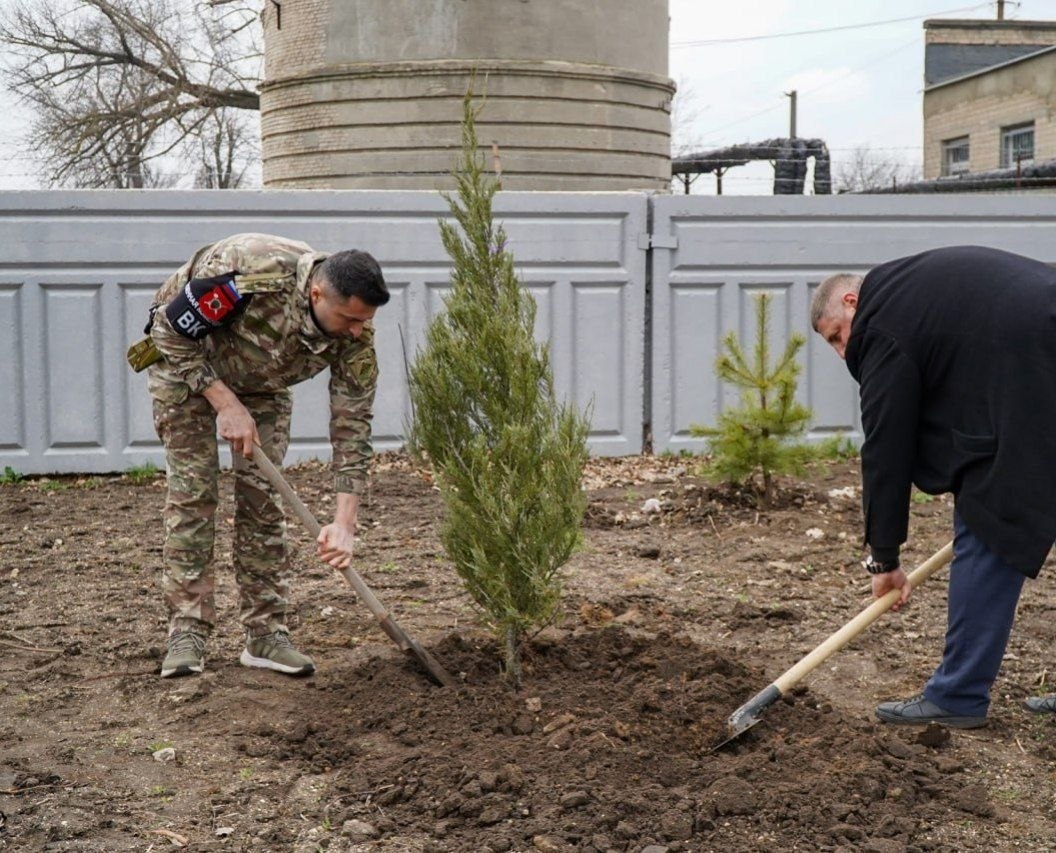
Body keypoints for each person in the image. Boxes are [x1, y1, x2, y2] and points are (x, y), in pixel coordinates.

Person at [811, 245, 1056, 727]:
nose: (845, 353)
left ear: (851, 303)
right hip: (1040, 339)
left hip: (1037, 359)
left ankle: (957, 696)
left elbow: (886, 446)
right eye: (834, 347)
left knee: (989, 516)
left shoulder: (881, 321)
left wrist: (884, 558)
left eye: (839, 336)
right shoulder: (910, 293)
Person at [142, 233, 389, 678]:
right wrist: (224, 402)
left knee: (263, 501)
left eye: (364, 320)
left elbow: (352, 425)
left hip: (263, 385)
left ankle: (265, 634)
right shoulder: (248, 273)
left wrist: (345, 523)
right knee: (194, 494)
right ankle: (187, 630)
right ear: (316, 294)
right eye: (350, 317)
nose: (358, 329)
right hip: (187, 368)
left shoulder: (356, 334)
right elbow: (168, 331)